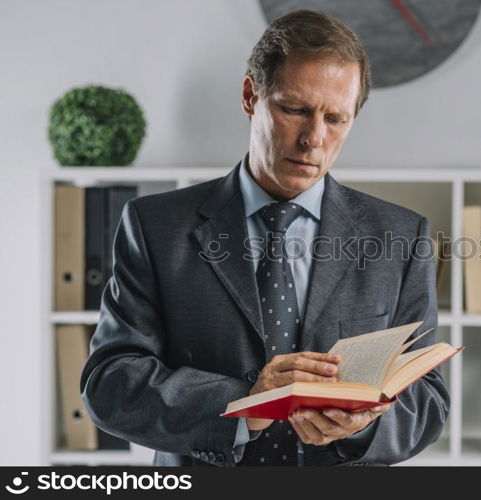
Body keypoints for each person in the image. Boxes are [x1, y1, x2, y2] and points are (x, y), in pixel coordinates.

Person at [80, 9, 449, 467]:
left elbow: (429, 399)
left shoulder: (401, 235)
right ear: (251, 95)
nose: (313, 138)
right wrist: (242, 403)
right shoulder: (154, 225)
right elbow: (110, 384)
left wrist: (365, 426)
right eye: (294, 109)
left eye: (336, 118)